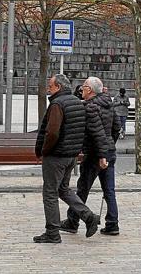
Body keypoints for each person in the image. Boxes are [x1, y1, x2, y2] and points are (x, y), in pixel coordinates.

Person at [33, 74, 100, 243]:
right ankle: (88, 216)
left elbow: (52, 132)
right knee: (63, 189)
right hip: (71, 155)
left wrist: (44, 150)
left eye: (51, 86)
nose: (49, 89)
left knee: (50, 193)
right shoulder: (77, 102)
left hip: (56, 156)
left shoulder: (57, 104)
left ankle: (52, 232)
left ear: (59, 87)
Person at [61, 76, 122, 236]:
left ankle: (73, 221)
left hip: (96, 154)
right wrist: (110, 146)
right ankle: (112, 223)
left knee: (83, 188)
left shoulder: (90, 107)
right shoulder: (109, 104)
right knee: (109, 190)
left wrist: (101, 153)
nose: (81, 89)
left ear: (90, 90)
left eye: (84, 87)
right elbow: (116, 127)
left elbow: (97, 133)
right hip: (108, 151)